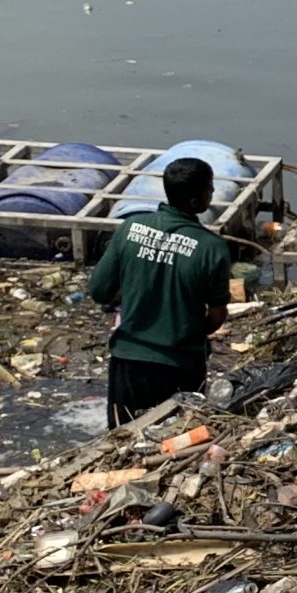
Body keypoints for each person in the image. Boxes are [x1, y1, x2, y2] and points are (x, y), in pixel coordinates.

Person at [88, 157, 234, 425]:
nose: (212, 192)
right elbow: (216, 317)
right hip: (182, 365)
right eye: (210, 188)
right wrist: (185, 329)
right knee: (174, 439)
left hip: (128, 361)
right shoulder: (212, 248)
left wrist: (132, 297)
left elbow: (99, 291)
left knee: (122, 439)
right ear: (195, 200)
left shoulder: (130, 229)